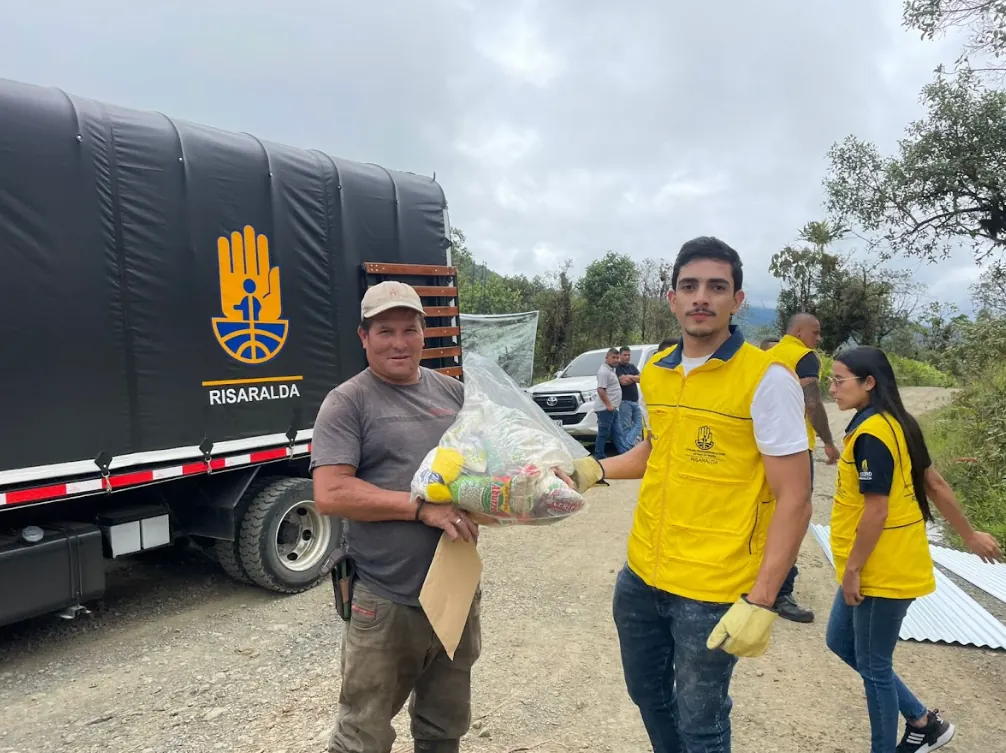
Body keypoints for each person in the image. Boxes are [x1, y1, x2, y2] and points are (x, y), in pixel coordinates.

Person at [568, 237, 813, 752]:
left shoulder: (766, 381)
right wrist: (591, 467)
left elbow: (795, 497)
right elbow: (653, 453)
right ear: (672, 298)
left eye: (716, 287)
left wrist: (763, 600)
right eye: (690, 286)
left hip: (712, 588)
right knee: (648, 695)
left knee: (701, 721)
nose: (702, 297)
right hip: (642, 575)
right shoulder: (657, 371)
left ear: (737, 300)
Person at [310, 280, 483, 753]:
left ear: (424, 334)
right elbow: (330, 492)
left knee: (444, 721)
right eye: (385, 331)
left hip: (455, 585)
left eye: (410, 329)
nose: (399, 342)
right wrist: (420, 509)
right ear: (363, 337)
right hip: (385, 596)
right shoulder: (348, 402)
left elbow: (482, 466)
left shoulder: (452, 393)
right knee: (363, 730)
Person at [824, 346, 1002, 753]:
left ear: (868, 383)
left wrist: (853, 570)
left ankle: (898, 741)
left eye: (838, 380)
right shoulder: (893, 422)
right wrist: (970, 536)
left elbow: (877, 509)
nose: (831, 388)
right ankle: (924, 721)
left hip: (879, 569)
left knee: (874, 668)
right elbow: (934, 484)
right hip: (879, 562)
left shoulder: (873, 434)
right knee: (841, 640)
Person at [765, 313, 840, 624]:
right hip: (794, 448)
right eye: (816, 332)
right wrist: (828, 440)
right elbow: (812, 404)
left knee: (766, 516)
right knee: (793, 519)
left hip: (762, 448)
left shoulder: (765, 354)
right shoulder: (804, 357)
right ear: (798, 331)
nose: (819, 339)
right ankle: (781, 593)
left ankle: (754, 584)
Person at [593, 347, 627, 459]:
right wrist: (608, 405)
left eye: (617, 358)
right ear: (606, 357)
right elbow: (601, 389)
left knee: (618, 432)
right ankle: (599, 456)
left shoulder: (611, 370)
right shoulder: (603, 371)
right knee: (604, 433)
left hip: (613, 408)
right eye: (613, 357)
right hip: (605, 409)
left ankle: (624, 453)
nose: (616, 360)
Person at [616, 345, 643, 447]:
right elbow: (623, 381)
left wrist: (629, 377)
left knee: (639, 424)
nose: (627, 357)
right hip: (624, 401)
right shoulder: (617, 368)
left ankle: (627, 444)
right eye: (625, 355)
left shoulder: (631, 366)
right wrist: (634, 377)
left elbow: (641, 379)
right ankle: (626, 448)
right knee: (626, 427)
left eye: (629, 355)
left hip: (635, 401)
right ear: (620, 355)